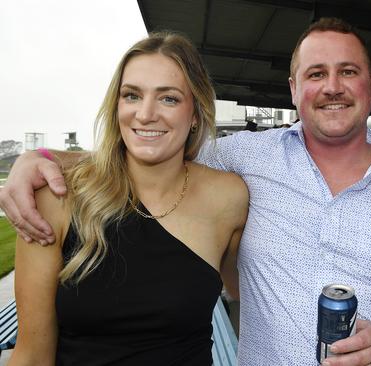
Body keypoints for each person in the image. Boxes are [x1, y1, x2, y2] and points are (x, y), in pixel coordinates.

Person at [1, 18, 371, 365]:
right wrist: (38, 157)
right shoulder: (246, 159)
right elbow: (146, 148)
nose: (331, 87)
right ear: (293, 89)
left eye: (347, 71)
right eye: (316, 74)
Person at [8, 32, 248, 365]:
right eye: (132, 96)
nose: (146, 114)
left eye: (169, 99)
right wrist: (36, 156)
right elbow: (33, 356)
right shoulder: (56, 200)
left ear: (195, 113)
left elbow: (252, 295)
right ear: (116, 105)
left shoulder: (229, 199)